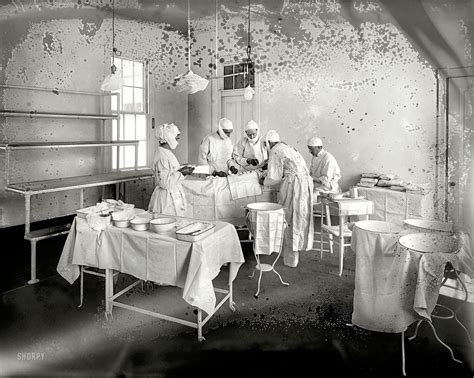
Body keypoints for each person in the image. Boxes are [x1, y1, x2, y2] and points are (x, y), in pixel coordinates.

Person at [263, 130, 314, 267]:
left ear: (269, 143)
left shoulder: (275, 150)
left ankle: (291, 258)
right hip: (305, 184)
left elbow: (274, 177)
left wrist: (263, 180)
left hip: (294, 185)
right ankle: (295, 253)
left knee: (289, 217)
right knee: (300, 217)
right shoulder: (289, 148)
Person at [148, 123, 193, 216]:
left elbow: (171, 171)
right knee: (168, 222)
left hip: (174, 191)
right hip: (166, 197)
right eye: (176, 139)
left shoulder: (166, 152)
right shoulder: (161, 156)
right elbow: (164, 183)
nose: (177, 142)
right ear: (169, 138)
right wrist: (182, 172)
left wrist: (181, 170)